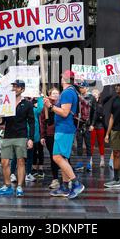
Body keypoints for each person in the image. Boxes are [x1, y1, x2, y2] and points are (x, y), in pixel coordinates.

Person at [43, 70, 85, 199]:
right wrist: (53, 104)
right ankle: (65, 186)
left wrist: (50, 107)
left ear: (65, 79)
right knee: (63, 158)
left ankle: (76, 184)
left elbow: (65, 112)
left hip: (64, 129)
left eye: (62, 77)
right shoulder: (71, 92)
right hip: (65, 129)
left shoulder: (67, 92)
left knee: (56, 157)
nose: (60, 79)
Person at [0, 80, 34, 197]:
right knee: (4, 162)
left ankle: (20, 186)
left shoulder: (27, 104)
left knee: (21, 161)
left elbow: (31, 122)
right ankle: (7, 185)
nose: (14, 89)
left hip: (21, 136)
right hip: (7, 136)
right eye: (13, 87)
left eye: (17, 87)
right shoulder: (7, 102)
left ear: (22, 89)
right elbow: (2, 121)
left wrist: (30, 138)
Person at [40, 87, 60, 189]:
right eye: (54, 93)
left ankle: (69, 178)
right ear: (50, 94)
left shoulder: (62, 104)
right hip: (50, 135)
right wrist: (42, 136)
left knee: (65, 157)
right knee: (54, 158)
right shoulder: (46, 106)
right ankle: (55, 179)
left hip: (61, 134)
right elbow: (42, 122)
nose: (56, 95)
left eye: (57, 93)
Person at [74, 81, 95, 172]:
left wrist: (92, 124)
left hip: (87, 124)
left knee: (88, 144)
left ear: (87, 88)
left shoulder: (91, 97)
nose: (81, 89)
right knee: (79, 144)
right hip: (79, 123)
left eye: (82, 87)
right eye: (80, 88)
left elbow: (95, 112)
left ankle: (88, 163)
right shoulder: (77, 97)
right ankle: (79, 163)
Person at [90, 89, 107, 168]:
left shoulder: (101, 103)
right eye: (93, 94)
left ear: (99, 95)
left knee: (101, 143)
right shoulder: (89, 103)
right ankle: (90, 160)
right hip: (92, 126)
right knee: (91, 144)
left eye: (96, 93)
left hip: (100, 125)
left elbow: (102, 116)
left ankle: (102, 159)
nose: (95, 95)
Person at [32, 96, 45, 178]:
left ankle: (40, 168)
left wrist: (40, 98)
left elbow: (40, 108)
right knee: (32, 151)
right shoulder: (30, 103)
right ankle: (33, 168)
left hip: (40, 131)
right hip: (32, 131)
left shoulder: (40, 99)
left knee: (40, 150)